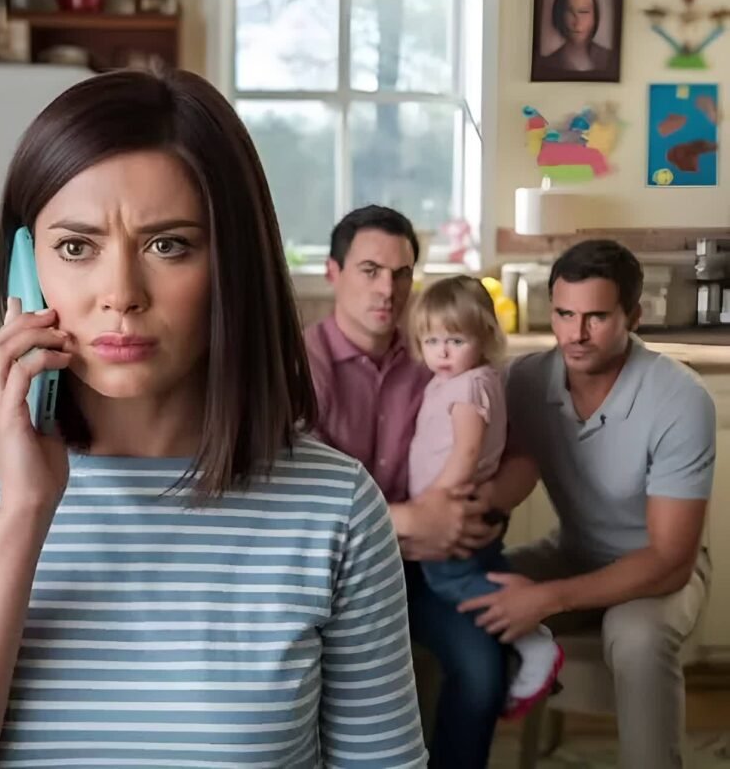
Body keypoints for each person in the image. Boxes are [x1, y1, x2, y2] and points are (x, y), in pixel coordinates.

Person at [0, 70, 427, 768]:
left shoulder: (337, 507)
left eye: (168, 245)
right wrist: (23, 510)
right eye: (76, 247)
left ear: (234, 266)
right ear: (24, 270)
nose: (121, 294)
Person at [459, 239, 715, 769]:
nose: (575, 334)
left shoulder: (680, 398)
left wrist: (546, 599)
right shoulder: (524, 380)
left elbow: (671, 559)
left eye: (596, 317)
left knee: (636, 637)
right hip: (574, 551)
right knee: (458, 596)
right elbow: (498, 456)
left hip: (662, 570)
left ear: (633, 317)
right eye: (564, 314)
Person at [305, 205, 506, 769]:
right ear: (332, 273)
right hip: (331, 576)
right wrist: (409, 521)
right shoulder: (300, 365)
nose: (387, 290)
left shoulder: (437, 354)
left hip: (425, 572)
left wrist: (482, 503)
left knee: (483, 670)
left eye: (401, 274)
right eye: (370, 270)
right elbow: (296, 495)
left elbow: (518, 454)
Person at [408, 275, 563, 720]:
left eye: (455, 340)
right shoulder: (457, 380)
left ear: (485, 338)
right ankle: (518, 641)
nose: (442, 352)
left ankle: (531, 640)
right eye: (432, 340)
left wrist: (434, 504)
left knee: (451, 580)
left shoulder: (469, 386)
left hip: (451, 508)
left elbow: (466, 451)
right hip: (456, 508)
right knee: (481, 571)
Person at [540, 0, 612, 74]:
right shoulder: (547, 64)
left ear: (595, 17)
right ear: (559, 15)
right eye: (569, 12)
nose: (577, 22)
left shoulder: (609, 59)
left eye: (584, 12)